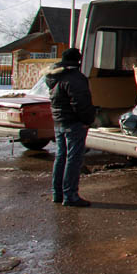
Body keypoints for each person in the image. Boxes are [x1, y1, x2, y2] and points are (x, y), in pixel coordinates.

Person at [46, 47, 96, 207]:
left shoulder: (55, 77)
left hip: (59, 122)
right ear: (78, 61)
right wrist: (88, 120)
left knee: (61, 157)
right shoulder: (75, 78)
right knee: (73, 159)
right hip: (74, 123)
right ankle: (70, 195)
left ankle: (57, 193)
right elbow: (81, 103)